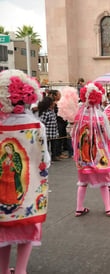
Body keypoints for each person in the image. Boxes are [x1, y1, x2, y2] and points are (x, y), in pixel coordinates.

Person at [0, 69, 50, 274]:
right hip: (29, 192)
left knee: (2, 233)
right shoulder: (37, 125)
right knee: (26, 230)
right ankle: (20, 270)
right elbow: (45, 159)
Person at [71, 82, 110, 217]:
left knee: (82, 182)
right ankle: (108, 208)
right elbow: (108, 135)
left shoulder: (79, 115)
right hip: (99, 155)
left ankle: (79, 208)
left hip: (83, 156)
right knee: (104, 183)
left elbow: (72, 133)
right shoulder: (101, 116)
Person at [38, 96, 60, 162]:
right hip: (47, 132)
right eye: (53, 103)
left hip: (53, 132)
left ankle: (54, 156)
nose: (54, 104)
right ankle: (46, 158)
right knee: (46, 147)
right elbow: (42, 122)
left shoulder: (52, 111)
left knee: (54, 145)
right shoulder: (45, 112)